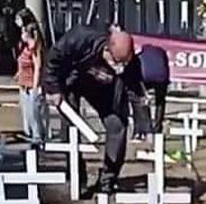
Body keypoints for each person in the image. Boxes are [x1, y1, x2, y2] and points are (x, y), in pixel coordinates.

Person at [43, 23, 148, 195]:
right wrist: (52, 88)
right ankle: (77, 179)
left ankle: (107, 181)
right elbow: (54, 59)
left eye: (124, 64)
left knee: (118, 125)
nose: (119, 68)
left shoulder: (130, 61)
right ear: (107, 50)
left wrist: (141, 121)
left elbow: (136, 90)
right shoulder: (81, 37)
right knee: (70, 132)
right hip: (73, 80)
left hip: (104, 90)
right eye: (116, 62)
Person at [14, 8, 47, 147]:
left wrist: (35, 86)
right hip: (23, 82)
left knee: (35, 113)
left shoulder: (35, 46)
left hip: (32, 82)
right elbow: (21, 61)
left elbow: (38, 66)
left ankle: (38, 137)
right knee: (27, 113)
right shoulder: (23, 45)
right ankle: (31, 135)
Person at [133, 43, 170, 136]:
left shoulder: (140, 54)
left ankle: (145, 128)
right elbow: (166, 67)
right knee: (160, 100)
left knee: (138, 98)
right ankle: (157, 127)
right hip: (162, 77)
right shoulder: (161, 52)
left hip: (145, 76)